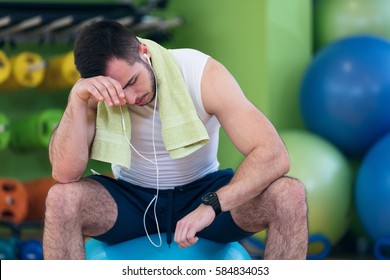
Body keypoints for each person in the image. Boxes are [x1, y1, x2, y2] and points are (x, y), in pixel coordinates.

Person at [43, 19, 308, 260]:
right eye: (118, 91)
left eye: (132, 81)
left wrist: (212, 204)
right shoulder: (94, 92)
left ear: (143, 52)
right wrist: (77, 101)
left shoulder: (201, 73)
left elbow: (273, 153)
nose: (130, 98)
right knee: (61, 199)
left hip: (202, 192)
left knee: (288, 194)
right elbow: (64, 173)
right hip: (132, 201)